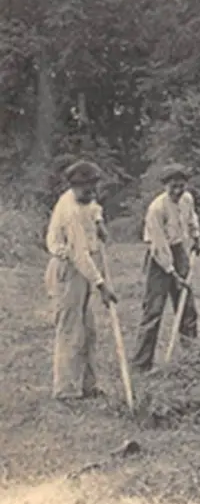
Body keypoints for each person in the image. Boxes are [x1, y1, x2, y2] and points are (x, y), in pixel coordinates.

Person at [44, 159, 118, 401]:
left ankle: (89, 386)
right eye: (87, 189)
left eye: (94, 187)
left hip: (82, 269)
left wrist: (99, 221)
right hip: (68, 270)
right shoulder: (70, 211)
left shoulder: (84, 200)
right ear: (75, 186)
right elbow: (79, 255)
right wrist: (102, 285)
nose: (92, 193)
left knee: (89, 331)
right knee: (70, 331)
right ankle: (65, 391)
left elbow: (93, 206)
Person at [132, 163, 200, 372]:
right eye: (173, 187)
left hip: (179, 251)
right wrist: (172, 273)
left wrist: (196, 237)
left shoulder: (187, 199)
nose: (178, 191)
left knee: (187, 308)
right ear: (165, 186)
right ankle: (141, 364)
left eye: (181, 186)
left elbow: (191, 218)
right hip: (158, 257)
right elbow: (159, 245)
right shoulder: (157, 208)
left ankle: (192, 359)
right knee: (153, 311)